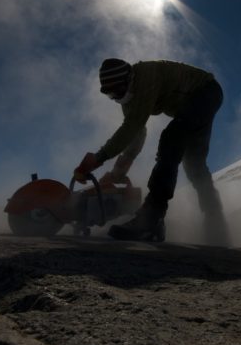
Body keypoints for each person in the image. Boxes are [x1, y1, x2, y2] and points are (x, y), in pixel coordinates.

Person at [73, 59, 227, 244]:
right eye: (110, 94)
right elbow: (137, 133)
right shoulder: (128, 99)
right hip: (189, 109)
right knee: (195, 165)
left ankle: (150, 220)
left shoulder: (146, 76)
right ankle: (216, 223)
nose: (116, 97)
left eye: (118, 90)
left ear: (129, 78)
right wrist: (120, 169)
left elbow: (131, 126)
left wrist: (99, 158)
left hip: (206, 93)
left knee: (171, 139)